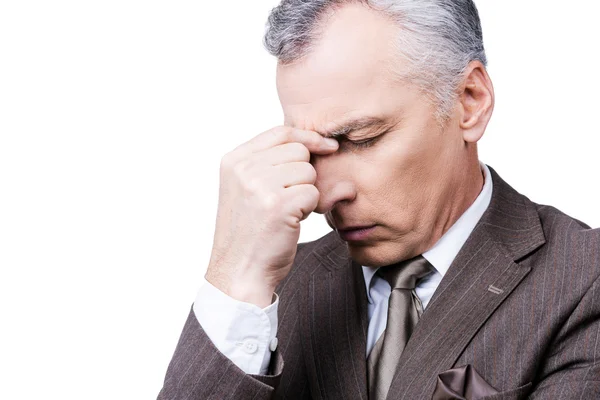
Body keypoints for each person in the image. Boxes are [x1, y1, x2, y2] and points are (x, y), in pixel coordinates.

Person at [157, 1, 600, 399]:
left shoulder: (583, 279)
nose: (325, 193)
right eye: (308, 151)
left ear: (470, 101)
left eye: (362, 138)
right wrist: (235, 280)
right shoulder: (268, 293)